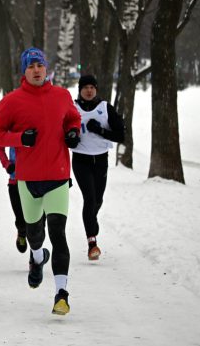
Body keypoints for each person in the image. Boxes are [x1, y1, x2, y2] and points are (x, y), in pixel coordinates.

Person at [0, 47, 81, 316]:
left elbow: (73, 118)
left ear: (46, 67)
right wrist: (20, 139)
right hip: (27, 179)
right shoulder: (12, 101)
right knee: (34, 234)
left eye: (40, 65)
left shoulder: (62, 96)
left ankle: (61, 294)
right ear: (24, 71)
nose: (37, 70)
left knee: (58, 233)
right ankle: (38, 257)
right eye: (31, 66)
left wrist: (73, 132)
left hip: (58, 175)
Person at [71, 75, 125, 260]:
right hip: (81, 160)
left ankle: (91, 222)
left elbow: (121, 135)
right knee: (90, 198)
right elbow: (61, 131)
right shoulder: (72, 108)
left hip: (101, 159)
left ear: (96, 89)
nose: (89, 90)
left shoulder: (105, 108)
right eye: (85, 87)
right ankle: (92, 243)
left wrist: (100, 130)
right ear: (80, 90)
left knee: (98, 200)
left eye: (92, 87)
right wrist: (70, 137)